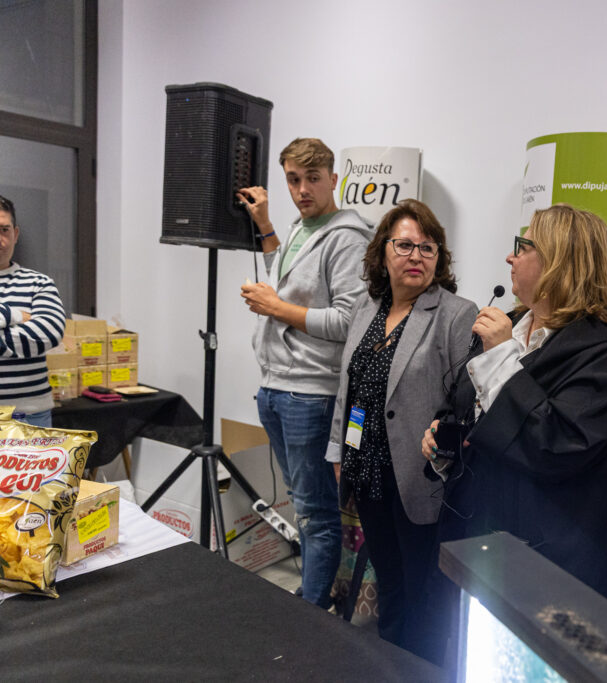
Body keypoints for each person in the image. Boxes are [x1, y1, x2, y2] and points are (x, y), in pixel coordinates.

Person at [422, 203, 607, 609]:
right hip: (477, 543)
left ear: (560, 262)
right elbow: (461, 405)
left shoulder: (603, 355)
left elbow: (554, 444)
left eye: (523, 246)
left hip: (552, 569)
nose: (510, 257)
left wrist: (503, 357)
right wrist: (443, 441)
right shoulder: (506, 327)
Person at [324, 199, 475, 663]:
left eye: (427, 248)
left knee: (423, 595)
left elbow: (468, 403)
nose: (416, 256)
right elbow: (349, 388)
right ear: (382, 252)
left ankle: (421, 669)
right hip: (368, 473)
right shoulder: (367, 307)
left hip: (420, 479)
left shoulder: (455, 314)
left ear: (439, 258)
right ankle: (390, 665)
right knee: (389, 582)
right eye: (405, 245)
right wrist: (339, 452)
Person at [238, 137, 373, 609]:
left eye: (313, 179)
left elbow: (348, 321)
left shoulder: (348, 238)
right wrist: (266, 226)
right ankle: (314, 596)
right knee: (303, 503)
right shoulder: (300, 228)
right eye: (293, 179)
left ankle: (311, 614)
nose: (302, 190)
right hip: (276, 386)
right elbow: (291, 279)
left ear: (334, 180)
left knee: (315, 513)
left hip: (310, 393)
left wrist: (275, 307)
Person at [0, 195, 66, 428]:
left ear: (15, 234)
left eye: (4, 230)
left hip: (30, 416)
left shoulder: (39, 283)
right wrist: (15, 316)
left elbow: (49, 333)